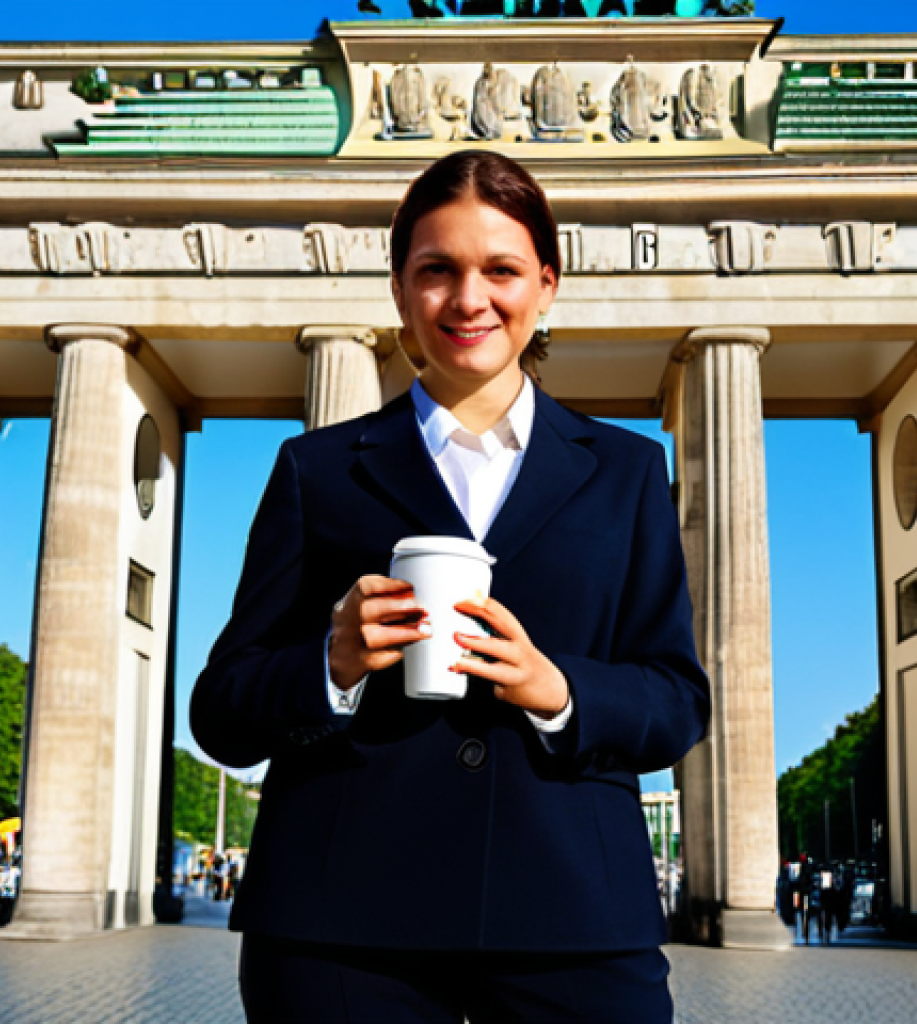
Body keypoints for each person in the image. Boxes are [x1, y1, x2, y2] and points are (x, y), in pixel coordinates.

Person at [191, 150, 710, 1023]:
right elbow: (222, 710)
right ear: (400, 290)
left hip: (573, 915)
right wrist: (330, 665)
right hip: (340, 923)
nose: (470, 299)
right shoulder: (318, 470)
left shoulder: (627, 473)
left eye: (501, 269)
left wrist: (560, 691)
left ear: (546, 286)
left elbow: (677, 698)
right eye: (437, 270)